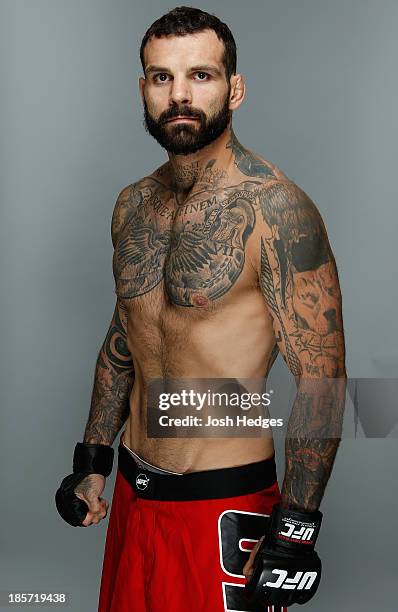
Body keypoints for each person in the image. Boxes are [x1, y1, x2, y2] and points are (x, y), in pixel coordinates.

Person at [55, 6, 346, 612]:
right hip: (135, 502)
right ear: (143, 88)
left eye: (201, 75)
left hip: (224, 510)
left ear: (235, 88)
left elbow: (322, 380)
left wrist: (296, 528)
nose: (180, 95)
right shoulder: (132, 205)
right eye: (162, 77)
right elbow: (124, 336)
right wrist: (92, 461)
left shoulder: (278, 209)